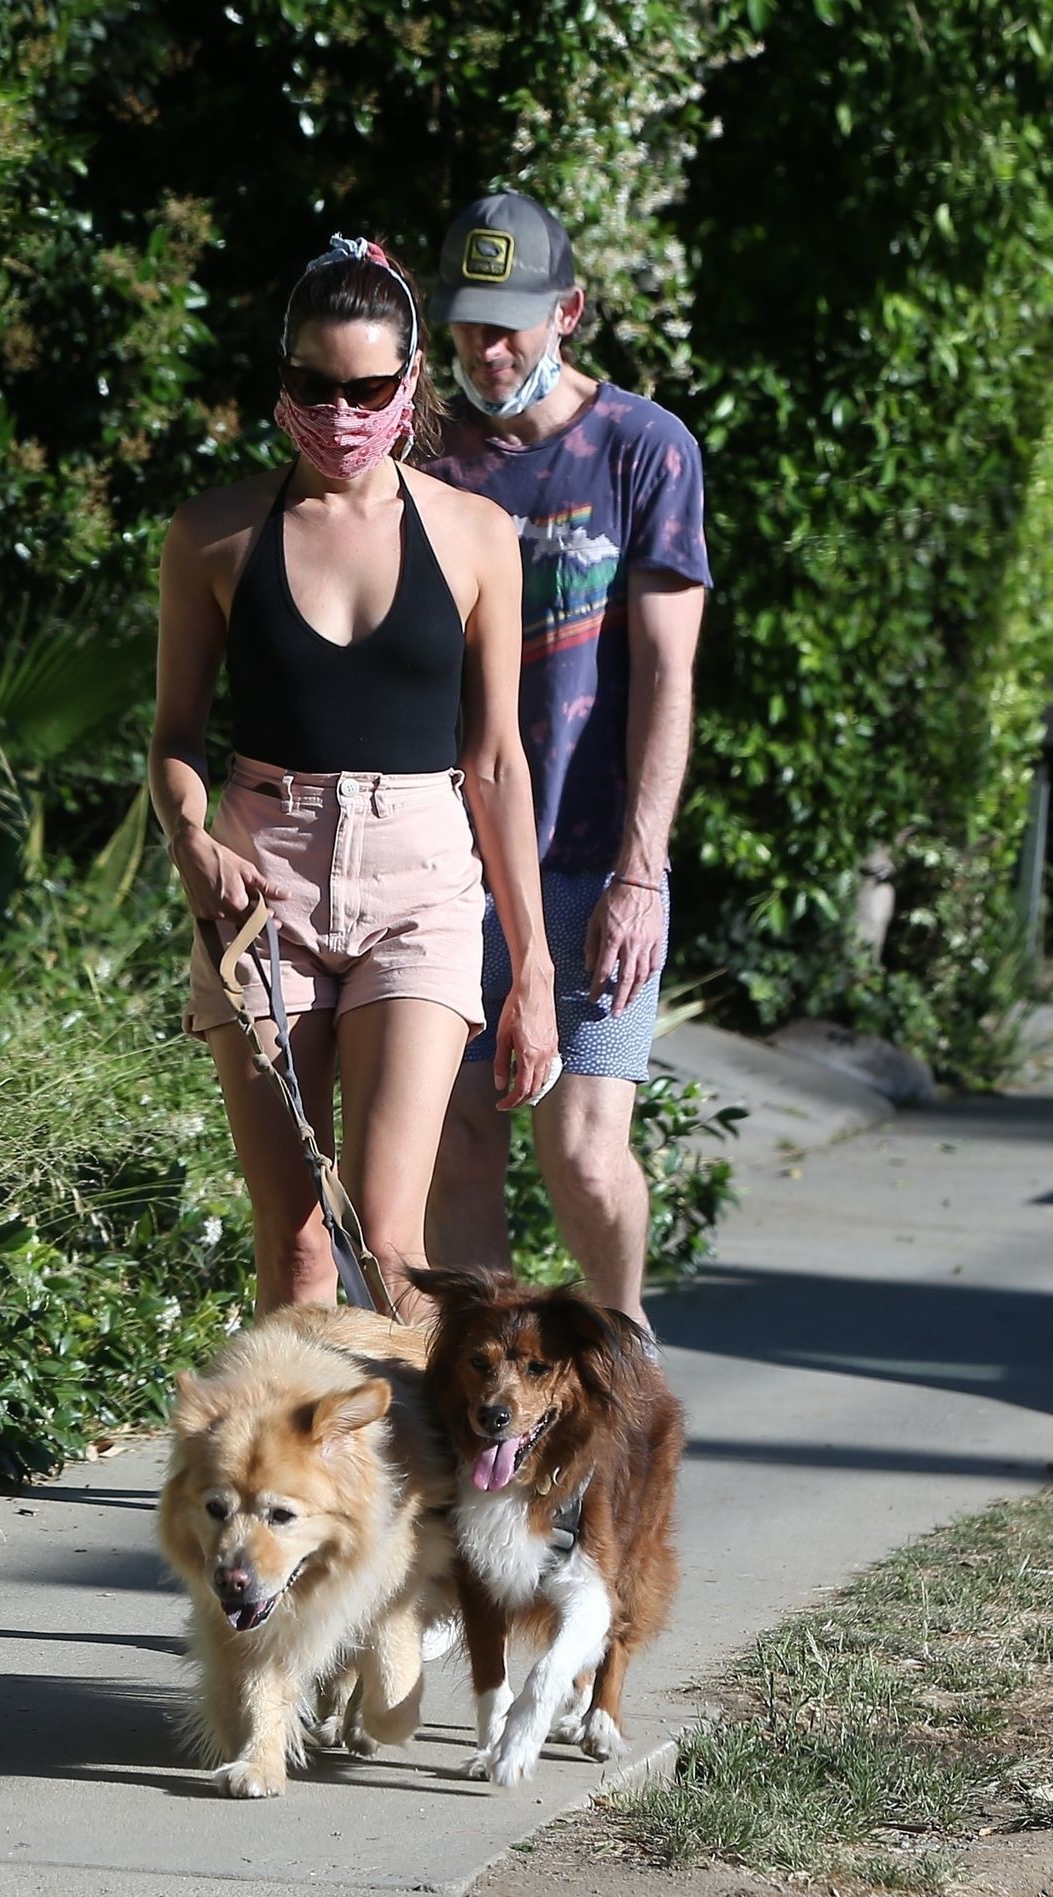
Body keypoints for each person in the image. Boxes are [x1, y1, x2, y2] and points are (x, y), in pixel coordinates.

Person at [149, 234, 558, 1320]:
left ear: (409, 380)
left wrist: (532, 968)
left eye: (368, 390)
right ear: (282, 379)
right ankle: (308, 1439)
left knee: (387, 1243)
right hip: (264, 879)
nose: (340, 414)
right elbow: (175, 737)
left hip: (419, 881)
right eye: (314, 386)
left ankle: (419, 1438)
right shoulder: (213, 534)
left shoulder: (475, 534)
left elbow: (496, 759)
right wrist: (191, 841)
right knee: (294, 1247)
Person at [423, 191, 711, 1349]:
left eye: (508, 325)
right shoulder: (422, 452)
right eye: (465, 324)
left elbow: (666, 676)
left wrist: (641, 873)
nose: (485, 349)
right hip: (448, 866)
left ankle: (622, 1355)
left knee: (584, 1153)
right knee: (458, 1145)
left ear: (568, 313)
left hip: (594, 862)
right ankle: (488, 1402)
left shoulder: (643, 449)